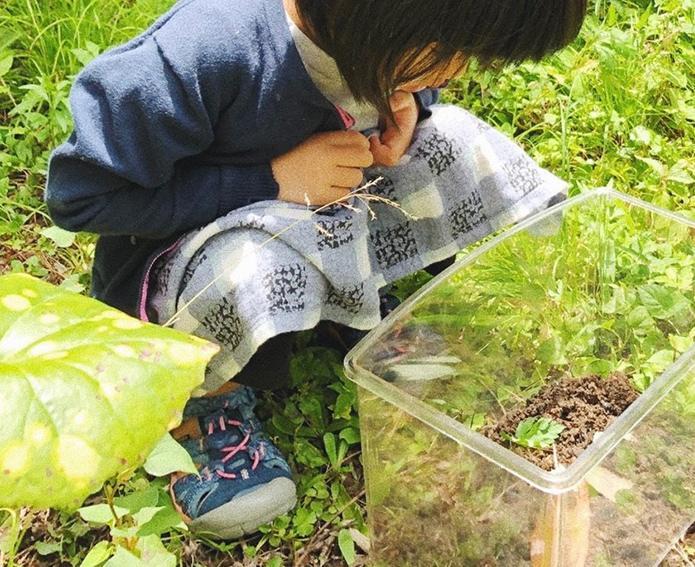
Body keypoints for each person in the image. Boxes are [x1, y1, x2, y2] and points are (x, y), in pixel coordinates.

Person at [45, 0, 586, 540]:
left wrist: (409, 104)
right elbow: (82, 196)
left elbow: (417, 84)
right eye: (446, 51)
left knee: (450, 139)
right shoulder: (203, 54)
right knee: (255, 264)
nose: (454, 72)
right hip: (186, 260)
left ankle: (345, 305)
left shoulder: (368, 44)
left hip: (322, 205)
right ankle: (202, 404)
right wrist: (269, 180)